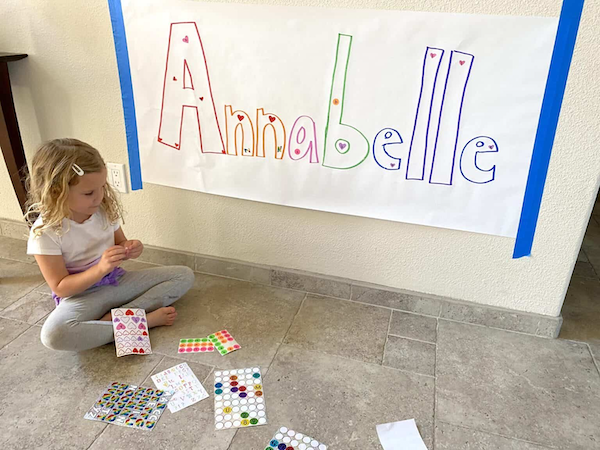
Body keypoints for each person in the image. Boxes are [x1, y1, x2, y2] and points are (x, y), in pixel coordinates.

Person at [25, 138, 194, 352]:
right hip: (82, 296)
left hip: (117, 282)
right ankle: (142, 321)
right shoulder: (45, 232)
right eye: (89, 193)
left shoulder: (103, 209)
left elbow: (121, 243)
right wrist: (100, 269)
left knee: (183, 276)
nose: (99, 197)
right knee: (54, 335)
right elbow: (61, 287)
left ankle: (112, 321)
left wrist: (131, 248)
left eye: (102, 188)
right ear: (57, 192)